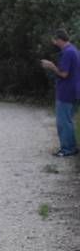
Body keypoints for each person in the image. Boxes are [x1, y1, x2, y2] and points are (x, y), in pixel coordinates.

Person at [40, 29, 79, 157]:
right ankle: (71, 147)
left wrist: (51, 66)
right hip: (73, 91)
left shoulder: (67, 53)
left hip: (66, 92)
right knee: (68, 120)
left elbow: (64, 74)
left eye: (55, 40)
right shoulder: (74, 50)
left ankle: (67, 149)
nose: (54, 43)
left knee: (63, 122)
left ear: (60, 39)